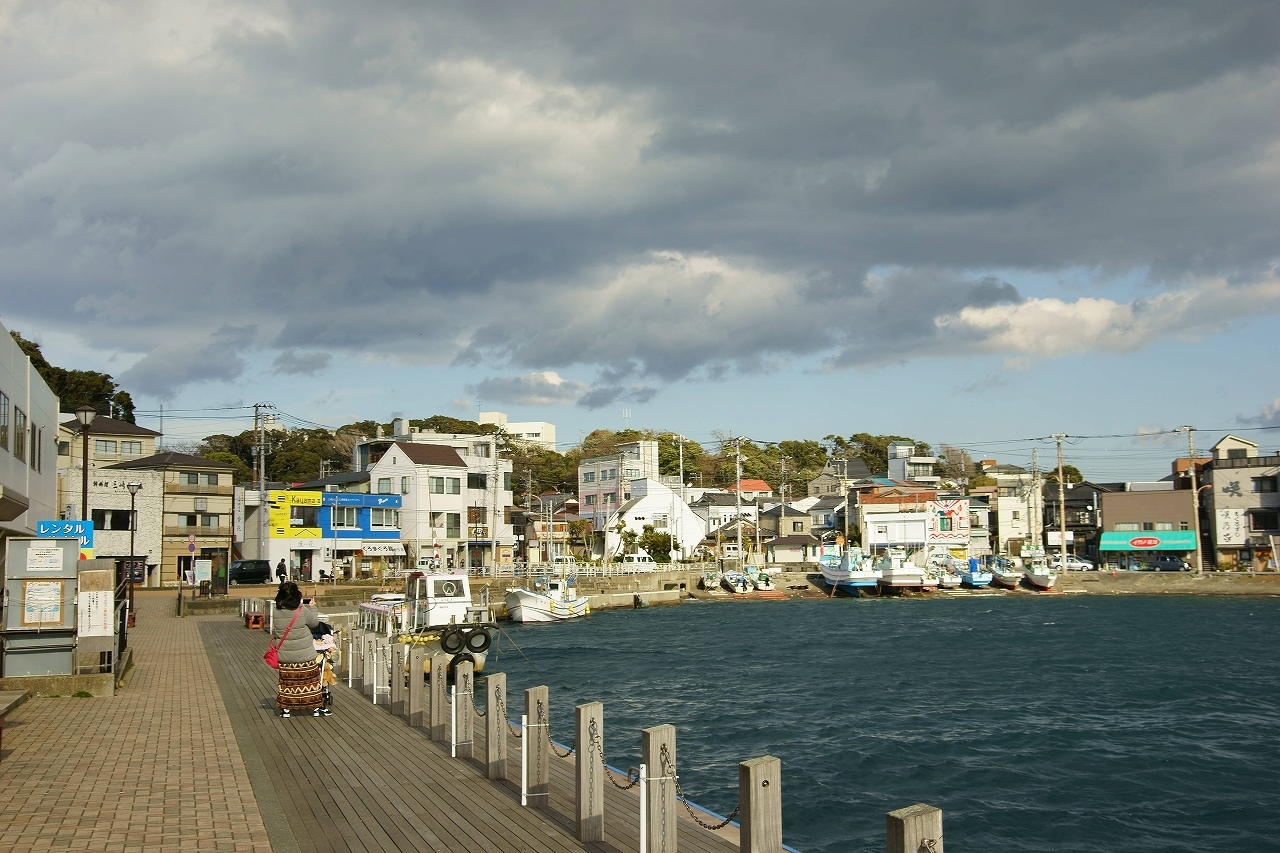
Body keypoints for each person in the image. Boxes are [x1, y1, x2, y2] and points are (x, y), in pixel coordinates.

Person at [271, 582, 329, 718]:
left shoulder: (276, 611)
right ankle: (314, 707)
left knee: (288, 684)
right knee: (310, 683)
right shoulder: (301, 610)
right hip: (305, 656)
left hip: (285, 656)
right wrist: (313, 608)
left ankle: (286, 709)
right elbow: (314, 623)